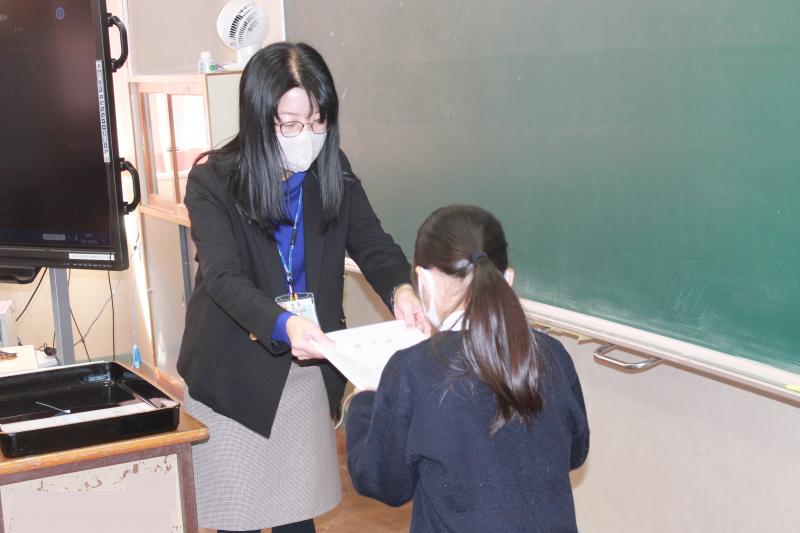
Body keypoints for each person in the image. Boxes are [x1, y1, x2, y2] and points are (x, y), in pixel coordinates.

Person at [176, 42, 426, 533]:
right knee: (238, 518)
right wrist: (285, 324)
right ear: (257, 119)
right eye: (289, 124)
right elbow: (223, 277)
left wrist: (402, 289)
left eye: (316, 122)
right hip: (233, 374)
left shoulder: (333, 171)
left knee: (297, 519)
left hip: (307, 369)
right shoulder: (213, 182)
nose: (305, 137)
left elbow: (373, 243)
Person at [345, 205, 590, 532]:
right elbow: (575, 452)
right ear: (508, 278)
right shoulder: (553, 354)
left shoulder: (413, 370)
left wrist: (363, 403)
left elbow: (384, 483)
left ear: (424, 281)